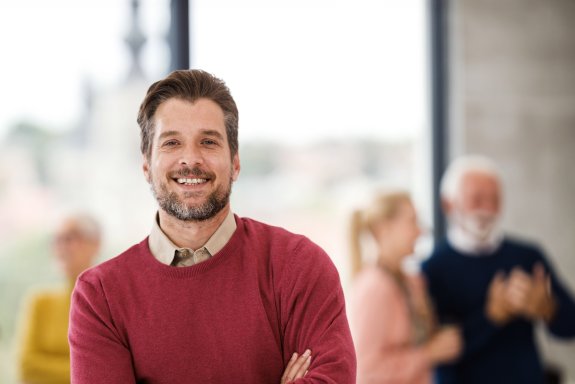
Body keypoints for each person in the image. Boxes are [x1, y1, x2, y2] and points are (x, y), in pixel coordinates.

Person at [68, 69, 356, 383]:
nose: (191, 159)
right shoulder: (101, 297)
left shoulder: (298, 265)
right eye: (172, 143)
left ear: (235, 163)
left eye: (208, 142)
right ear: (147, 166)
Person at [422, 155, 575, 384]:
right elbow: (437, 352)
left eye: (494, 199)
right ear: (448, 203)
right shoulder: (432, 269)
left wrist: (548, 309)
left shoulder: (528, 256)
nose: (487, 209)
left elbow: (570, 326)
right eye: (476, 199)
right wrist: (491, 317)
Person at [348, 190, 462, 384]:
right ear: (383, 229)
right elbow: (366, 369)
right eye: (413, 221)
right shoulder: (374, 288)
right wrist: (428, 354)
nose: (421, 231)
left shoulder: (413, 281)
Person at [16, 212, 102, 384]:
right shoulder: (40, 302)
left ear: (95, 244)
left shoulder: (109, 304)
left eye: (70, 238)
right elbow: (26, 368)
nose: (61, 247)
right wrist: (86, 369)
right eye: (57, 240)